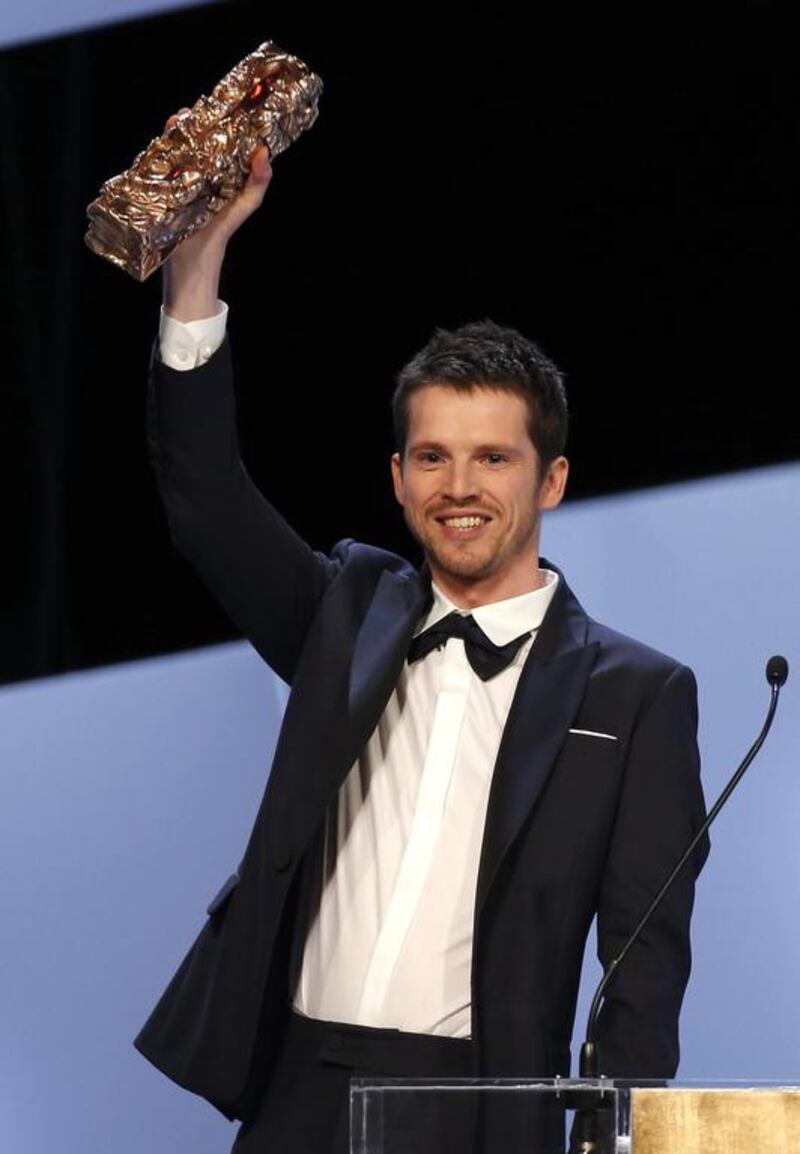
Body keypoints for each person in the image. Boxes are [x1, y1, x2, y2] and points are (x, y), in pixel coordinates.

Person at [134, 133, 709, 1153]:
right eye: (433, 457)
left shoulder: (636, 694)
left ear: (551, 479)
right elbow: (207, 501)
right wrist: (194, 275)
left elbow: (642, 955)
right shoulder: (343, 612)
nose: (459, 486)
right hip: (294, 1091)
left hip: (479, 1108)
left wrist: (611, 1133)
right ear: (397, 477)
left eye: (493, 456)